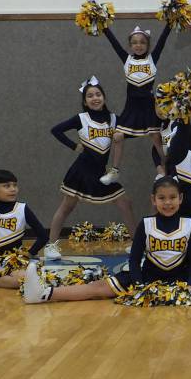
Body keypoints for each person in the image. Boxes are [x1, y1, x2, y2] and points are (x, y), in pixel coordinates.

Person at [22, 177, 191, 303]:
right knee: (98, 289)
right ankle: (45, 294)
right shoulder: (146, 224)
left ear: (181, 200)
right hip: (148, 276)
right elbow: (134, 257)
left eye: (172, 198)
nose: (167, 203)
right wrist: (140, 283)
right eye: (162, 198)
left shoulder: (190, 224)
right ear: (153, 200)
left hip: (183, 277)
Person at [43, 77, 137, 261]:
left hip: (102, 173)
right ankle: (51, 245)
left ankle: (136, 243)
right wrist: (73, 146)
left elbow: (131, 132)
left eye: (98, 94)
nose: (95, 98)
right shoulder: (81, 118)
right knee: (66, 207)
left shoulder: (113, 119)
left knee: (125, 203)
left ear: (104, 97)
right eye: (90, 96)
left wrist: (122, 133)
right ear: (85, 101)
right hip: (81, 170)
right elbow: (56, 130)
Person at [100, 22, 173, 185]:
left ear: (147, 45)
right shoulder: (127, 60)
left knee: (155, 137)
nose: (138, 45)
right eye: (134, 43)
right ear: (130, 45)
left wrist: (170, 23)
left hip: (148, 105)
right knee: (118, 136)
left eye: (142, 42)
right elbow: (114, 44)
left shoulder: (152, 59)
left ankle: (170, 166)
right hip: (131, 107)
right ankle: (114, 171)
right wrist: (104, 26)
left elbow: (162, 40)